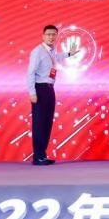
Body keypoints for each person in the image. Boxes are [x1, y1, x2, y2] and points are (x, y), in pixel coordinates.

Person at [26, 25, 79, 166]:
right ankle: (37, 157)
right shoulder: (37, 51)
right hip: (40, 88)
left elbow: (57, 57)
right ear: (43, 36)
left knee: (47, 122)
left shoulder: (51, 51)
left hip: (50, 88)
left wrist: (70, 53)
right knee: (39, 123)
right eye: (48, 34)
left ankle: (42, 155)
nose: (51, 37)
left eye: (54, 34)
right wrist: (32, 92)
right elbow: (30, 73)